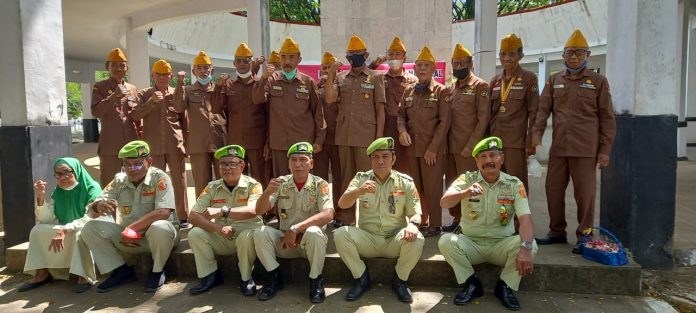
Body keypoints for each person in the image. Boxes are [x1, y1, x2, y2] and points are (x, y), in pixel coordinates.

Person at [532, 29, 616, 254]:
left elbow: (607, 118)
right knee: (553, 190)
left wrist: (605, 149)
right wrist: (536, 134)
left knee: (585, 195)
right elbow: (542, 111)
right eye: (569, 53)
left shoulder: (598, 81)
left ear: (587, 54)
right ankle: (557, 232)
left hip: (586, 150)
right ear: (563, 56)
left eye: (579, 53)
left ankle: (585, 236)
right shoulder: (554, 80)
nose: (574, 57)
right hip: (559, 148)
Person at [439, 137, 537, 311]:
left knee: (530, 244)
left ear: (502, 159)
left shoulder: (514, 184)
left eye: (493, 155)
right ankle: (472, 284)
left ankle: (505, 286)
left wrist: (525, 249)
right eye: (483, 157)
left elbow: (525, 219)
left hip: (501, 244)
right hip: (471, 244)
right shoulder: (466, 180)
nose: (488, 161)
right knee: (446, 241)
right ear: (476, 161)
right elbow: (444, 203)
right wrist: (465, 192)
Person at [80, 140, 180, 293]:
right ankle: (122, 271)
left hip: (160, 238)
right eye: (127, 164)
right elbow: (91, 211)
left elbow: (163, 212)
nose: (132, 169)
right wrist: (98, 206)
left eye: (138, 164)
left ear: (149, 161)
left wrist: (130, 229)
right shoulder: (119, 180)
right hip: (129, 240)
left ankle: (157, 271)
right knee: (90, 228)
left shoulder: (160, 178)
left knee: (159, 227)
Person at [334, 137, 424, 303]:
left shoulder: (405, 182)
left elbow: (416, 213)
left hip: (394, 239)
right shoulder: (361, 178)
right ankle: (361, 279)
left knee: (417, 238)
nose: (380, 161)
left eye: (385, 156)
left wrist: (413, 225)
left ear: (393, 158)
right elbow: (342, 203)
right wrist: (358, 191)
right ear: (370, 159)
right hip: (368, 238)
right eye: (375, 157)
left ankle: (400, 281)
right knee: (340, 234)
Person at [253, 142, 334, 303]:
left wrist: (295, 229)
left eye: (303, 159)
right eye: (293, 160)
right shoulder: (281, 183)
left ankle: (316, 280)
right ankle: (274, 277)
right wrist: (267, 192)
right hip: (285, 243)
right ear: (288, 164)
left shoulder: (320, 184)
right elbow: (260, 211)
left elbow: (328, 214)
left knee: (314, 232)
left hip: (309, 244)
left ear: (311, 163)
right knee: (260, 232)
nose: (298, 164)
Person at [324, 35, 386, 226]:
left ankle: (372, 220)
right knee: (345, 180)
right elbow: (329, 98)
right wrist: (332, 74)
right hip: (344, 136)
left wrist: (378, 140)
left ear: (366, 55)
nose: (354, 57)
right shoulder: (342, 77)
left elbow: (380, 110)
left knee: (369, 180)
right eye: (351, 54)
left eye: (358, 54)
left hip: (366, 138)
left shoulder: (376, 77)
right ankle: (347, 218)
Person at [187, 145, 264, 296]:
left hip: (247, 235)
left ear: (242, 166)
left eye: (232, 164)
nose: (227, 168)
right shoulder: (212, 187)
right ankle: (210, 276)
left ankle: (246, 278)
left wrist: (222, 212)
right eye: (223, 164)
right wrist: (218, 229)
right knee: (195, 233)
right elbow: (193, 215)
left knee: (246, 237)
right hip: (223, 235)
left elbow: (252, 211)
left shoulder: (253, 185)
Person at [19, 158, 100, 293]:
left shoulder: (92, 188)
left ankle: (83, 275)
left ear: (77, 171)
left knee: (79, 233)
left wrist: (65, 229)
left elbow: (90, 218)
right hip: (66, 229)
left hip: (90, 229)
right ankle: (42, 273)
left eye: (66, 172)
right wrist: (40, 195)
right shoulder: (58, 191)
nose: (62, 177)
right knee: (37, 230)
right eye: (58, 174)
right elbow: (46, 219)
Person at [397, 46, 452, 237]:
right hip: (413, 150)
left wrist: (433, 149)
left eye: (426, 65)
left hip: (432, 151)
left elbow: (445, 123)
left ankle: (435, 225)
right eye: (418, 65)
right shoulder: (409, 91)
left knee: (433, 188)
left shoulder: (441, 91)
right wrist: (402, 131)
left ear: (433, 68)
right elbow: (400, 116)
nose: (421, 69)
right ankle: (421, 220)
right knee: (417, 189)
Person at [252, 37, 325, 177]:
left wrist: (319, 140)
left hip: (302, 142)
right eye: (284, 57)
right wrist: (264, 78)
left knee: (303, 182)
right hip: (280, 143)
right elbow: (257, 99)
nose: (287, 61)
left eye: (292, 57)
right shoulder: (272, 80)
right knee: (282, 183)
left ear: (299, 59)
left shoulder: (308, 82)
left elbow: (318, 113)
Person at [132, 59, 189, 226]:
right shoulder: (144, 94)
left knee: (179, 181)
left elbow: (185, 121)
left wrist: (187, 144)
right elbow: (135, 115)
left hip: (174, 144)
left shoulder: (177, 92)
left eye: (166, 74)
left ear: (171, 76)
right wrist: (152, 102)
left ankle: (182, 216)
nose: (162, 77)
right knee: (153, 182)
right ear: (153, 75)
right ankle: (155, 217)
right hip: (153, 145)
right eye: (159, 74)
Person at [443, 43, 491, 233]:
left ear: (471, 63)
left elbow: (483, 119)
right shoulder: (451, 88)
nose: (459, 67)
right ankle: (457, 220)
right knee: (453, 185)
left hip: (468, 149)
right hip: (451, 148)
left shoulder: (481, 86)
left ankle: (472, 223)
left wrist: (471, 146)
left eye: (463, 63)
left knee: (470, 187)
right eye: (455, 64)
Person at [212, 43, 269, 186]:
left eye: (246, 61)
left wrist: (267, 141)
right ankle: (240, 208)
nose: (242, 64)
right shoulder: (228, 84)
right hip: (236, 141)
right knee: (237, 180)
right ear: (234, 63)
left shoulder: (259, 83)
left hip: (257, 142)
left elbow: (269, 115)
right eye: (239, 61)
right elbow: (216, 109)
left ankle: (260, 209)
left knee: (258, 179)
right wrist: (218, 87)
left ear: (252, 63)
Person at [489, 34, 539, 195]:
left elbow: (534, 111)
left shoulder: (528, 78)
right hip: (495, 141)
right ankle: (501, 218)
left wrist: (531, 140)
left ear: (520, 56)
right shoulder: (495, 81)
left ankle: (519, 219)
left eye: (511, 54)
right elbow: (489, 113)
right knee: (496, 181)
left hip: (516, 143)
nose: (506, 58)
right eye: (503, 54)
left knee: (516, 182)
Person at [173, 51, 226, 197]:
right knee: (202, 184)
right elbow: (178, 107)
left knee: (224, 180)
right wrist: (180, 83)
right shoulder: (188, 90)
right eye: (199, 68)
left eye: (206, 67)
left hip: (220, 141)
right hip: (198, 143)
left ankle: (224, 215)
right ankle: (201, 216)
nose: (203, 71)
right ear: (194, 71)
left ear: (212, 70)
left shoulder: (220, 89)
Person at [368, 37, 418, 175]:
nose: (393, 57)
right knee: (384, 167)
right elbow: (362, 76)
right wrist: (374, 63)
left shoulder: (413, 80)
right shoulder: (379, 78)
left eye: (397, 54)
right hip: (384, 128)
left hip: (405, 129)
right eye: (391, 54)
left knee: (404, 168)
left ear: (404, 57)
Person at [91, 48, 140, 186]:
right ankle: (109, 208)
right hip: (110, 146)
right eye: (114, 65)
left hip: (131, 144)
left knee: (134, 182)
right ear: (108, 67)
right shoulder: (100, 87)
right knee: (110, 183)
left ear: (127, 68)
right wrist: (113, 96)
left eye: (122, 65)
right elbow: (96, 111)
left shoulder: (132, 89)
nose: (118, 68)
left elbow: (136, 115)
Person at [313, 52, 343, 223]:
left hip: (338, 139)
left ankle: (339, 212)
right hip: (320, 141)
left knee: (339, 178)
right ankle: (321, 211)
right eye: (324, 68)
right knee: (320, 178)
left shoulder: (343, 87)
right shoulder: (315, 87)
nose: (327, 71)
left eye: (330, 68)